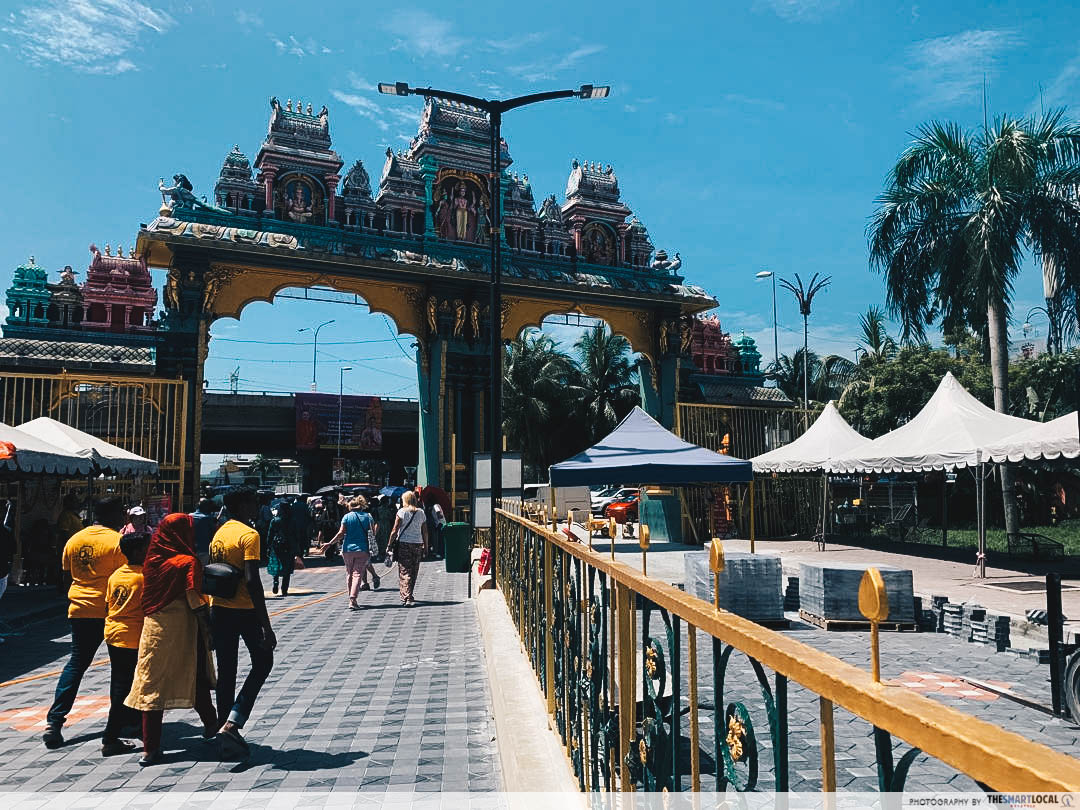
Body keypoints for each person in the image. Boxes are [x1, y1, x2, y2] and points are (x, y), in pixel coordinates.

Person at [124, 513, 217, 766]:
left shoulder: (152, 559)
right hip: (184, 631)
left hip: (154, 631)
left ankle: (150, 749)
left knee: (152, 685)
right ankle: (212, 728)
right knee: (195, 676)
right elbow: (196, 601)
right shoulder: (187, 562)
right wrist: (210, 629)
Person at [43, 497, 127, 748]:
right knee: (121, 669)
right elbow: (125, 578)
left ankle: (54, 721)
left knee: (76, 664)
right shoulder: (118, 541)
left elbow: (66, 575)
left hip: (79, 609)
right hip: (111, 611)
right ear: (112, 515)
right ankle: (121, 723)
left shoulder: (75, 539)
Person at [209, 487, 275, 757]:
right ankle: (234, 721)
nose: (257, 506)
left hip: (219, 609)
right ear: (243, 505)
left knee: (227, 671)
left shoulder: (221, 532)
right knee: (263, 661)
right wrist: (266, 625)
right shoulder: (250, 535)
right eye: (254, 502)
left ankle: (224, 731)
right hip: (244, 610)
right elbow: (252, 580)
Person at [100, 531, 149, 757]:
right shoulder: (144, 576)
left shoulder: (116, 575)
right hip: (133, 637)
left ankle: (129, 721)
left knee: (120, 684)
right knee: (127, 686)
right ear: (138, 551)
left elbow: (110, 603)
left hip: (113, 634)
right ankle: (110, 737)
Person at [329, 496, 380, 610]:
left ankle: (350, 598)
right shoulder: (368, 517)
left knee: (349, 574)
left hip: (347, 549)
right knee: (357, 574)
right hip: (363, 549)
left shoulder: (346, 517)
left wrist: (329, 543)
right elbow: (372, 533)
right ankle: (353, 599)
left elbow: (341, 533)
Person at [387, 491, 428, 607]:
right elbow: (425, 531)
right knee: (414, 570)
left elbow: (395, 530)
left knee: (405, 571)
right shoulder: (421, 513)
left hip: (404, 543)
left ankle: (407, 596)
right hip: (417, 543)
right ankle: (409, 594)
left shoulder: (401, 512)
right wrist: (426, 546)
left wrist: (389, 544)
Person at [267, 501, 301, 596]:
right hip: (290, 546)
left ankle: (275, 581)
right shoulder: (293, 520)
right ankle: (284, 589)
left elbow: (270, 534)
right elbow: (296, 534)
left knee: (276, 563)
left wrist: (268, 546)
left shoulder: (275, 520)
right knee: (288, 566)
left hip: (277, 545)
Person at [189, 498, 217, 566]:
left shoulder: (189, 516)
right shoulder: (208, 518)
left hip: (191, 548)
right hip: (203, 549)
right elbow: (213, 534)